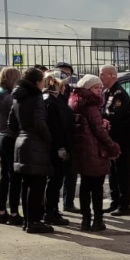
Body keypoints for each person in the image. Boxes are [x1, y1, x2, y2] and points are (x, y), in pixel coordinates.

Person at [69, 74, 122, 231]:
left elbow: (86, 125)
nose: (100, 90)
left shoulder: (75, 103)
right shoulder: (91, 106)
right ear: (87, 88)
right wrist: (112, 146)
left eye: (100, 87)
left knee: (85, 186)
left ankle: (85, 221)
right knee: (97, 188)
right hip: (94, 151)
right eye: (96, 87)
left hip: (81, 151)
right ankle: (98, 220)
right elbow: (98, 130)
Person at [7, 66, 54, 234]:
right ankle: (34, 222)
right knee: (37, 186)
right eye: (43, 81)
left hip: (21, 142)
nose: (44, 85)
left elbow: (11, 124)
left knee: (26, 185)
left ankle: (28, 221)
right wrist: (49, 140)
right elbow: (40, 122)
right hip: (35, 144)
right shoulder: (36, 97)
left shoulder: (17, 97)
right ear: (37, 82)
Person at [99, 64, 130, 216]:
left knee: (122, 171)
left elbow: (115, 116)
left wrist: (101, 120)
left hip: (121, 138)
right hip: (111, 138)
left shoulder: (119, 94)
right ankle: (115, 201)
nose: (100, 77)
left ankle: (124, 204)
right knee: (112, 171)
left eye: (102, 75)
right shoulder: (107, 92)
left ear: (112, 75)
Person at [41, 71, 74, 227]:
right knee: (54, 181)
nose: (64, 88)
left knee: (56, 180)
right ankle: (50, 211)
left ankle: (52, 209)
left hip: (55, 147)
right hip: (55, 148)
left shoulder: (53, 100)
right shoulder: (50, 102)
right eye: (62, 84)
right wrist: (60, 147)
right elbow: (55, 128)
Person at [0, 66, 24, 226]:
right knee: (15, 177)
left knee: (4, 176)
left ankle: (1, 212)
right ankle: (13, 213)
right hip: (11, 137)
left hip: (0, 137)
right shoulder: (10, 98)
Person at [55, 61, 81, 213]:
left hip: (71, 137)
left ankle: (68, 203)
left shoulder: (72, 93)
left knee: (71, 174)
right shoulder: (51, 92)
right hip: (57, 139)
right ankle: (51, 206)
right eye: (61, 74)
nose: (64, 77)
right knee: (56, 176)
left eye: (67, 74)